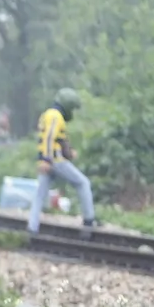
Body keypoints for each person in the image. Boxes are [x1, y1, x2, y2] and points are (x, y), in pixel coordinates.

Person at [29, 88, 97, 235]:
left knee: (40, 195)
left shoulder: (47, 114)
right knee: (83, 183)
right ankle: (89, 221)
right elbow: (49, 138)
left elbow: (57, 139)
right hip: (55, 161)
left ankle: (32, 229)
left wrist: (68, 151)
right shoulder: (56, 116)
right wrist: (47, 160)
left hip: (48, 159)